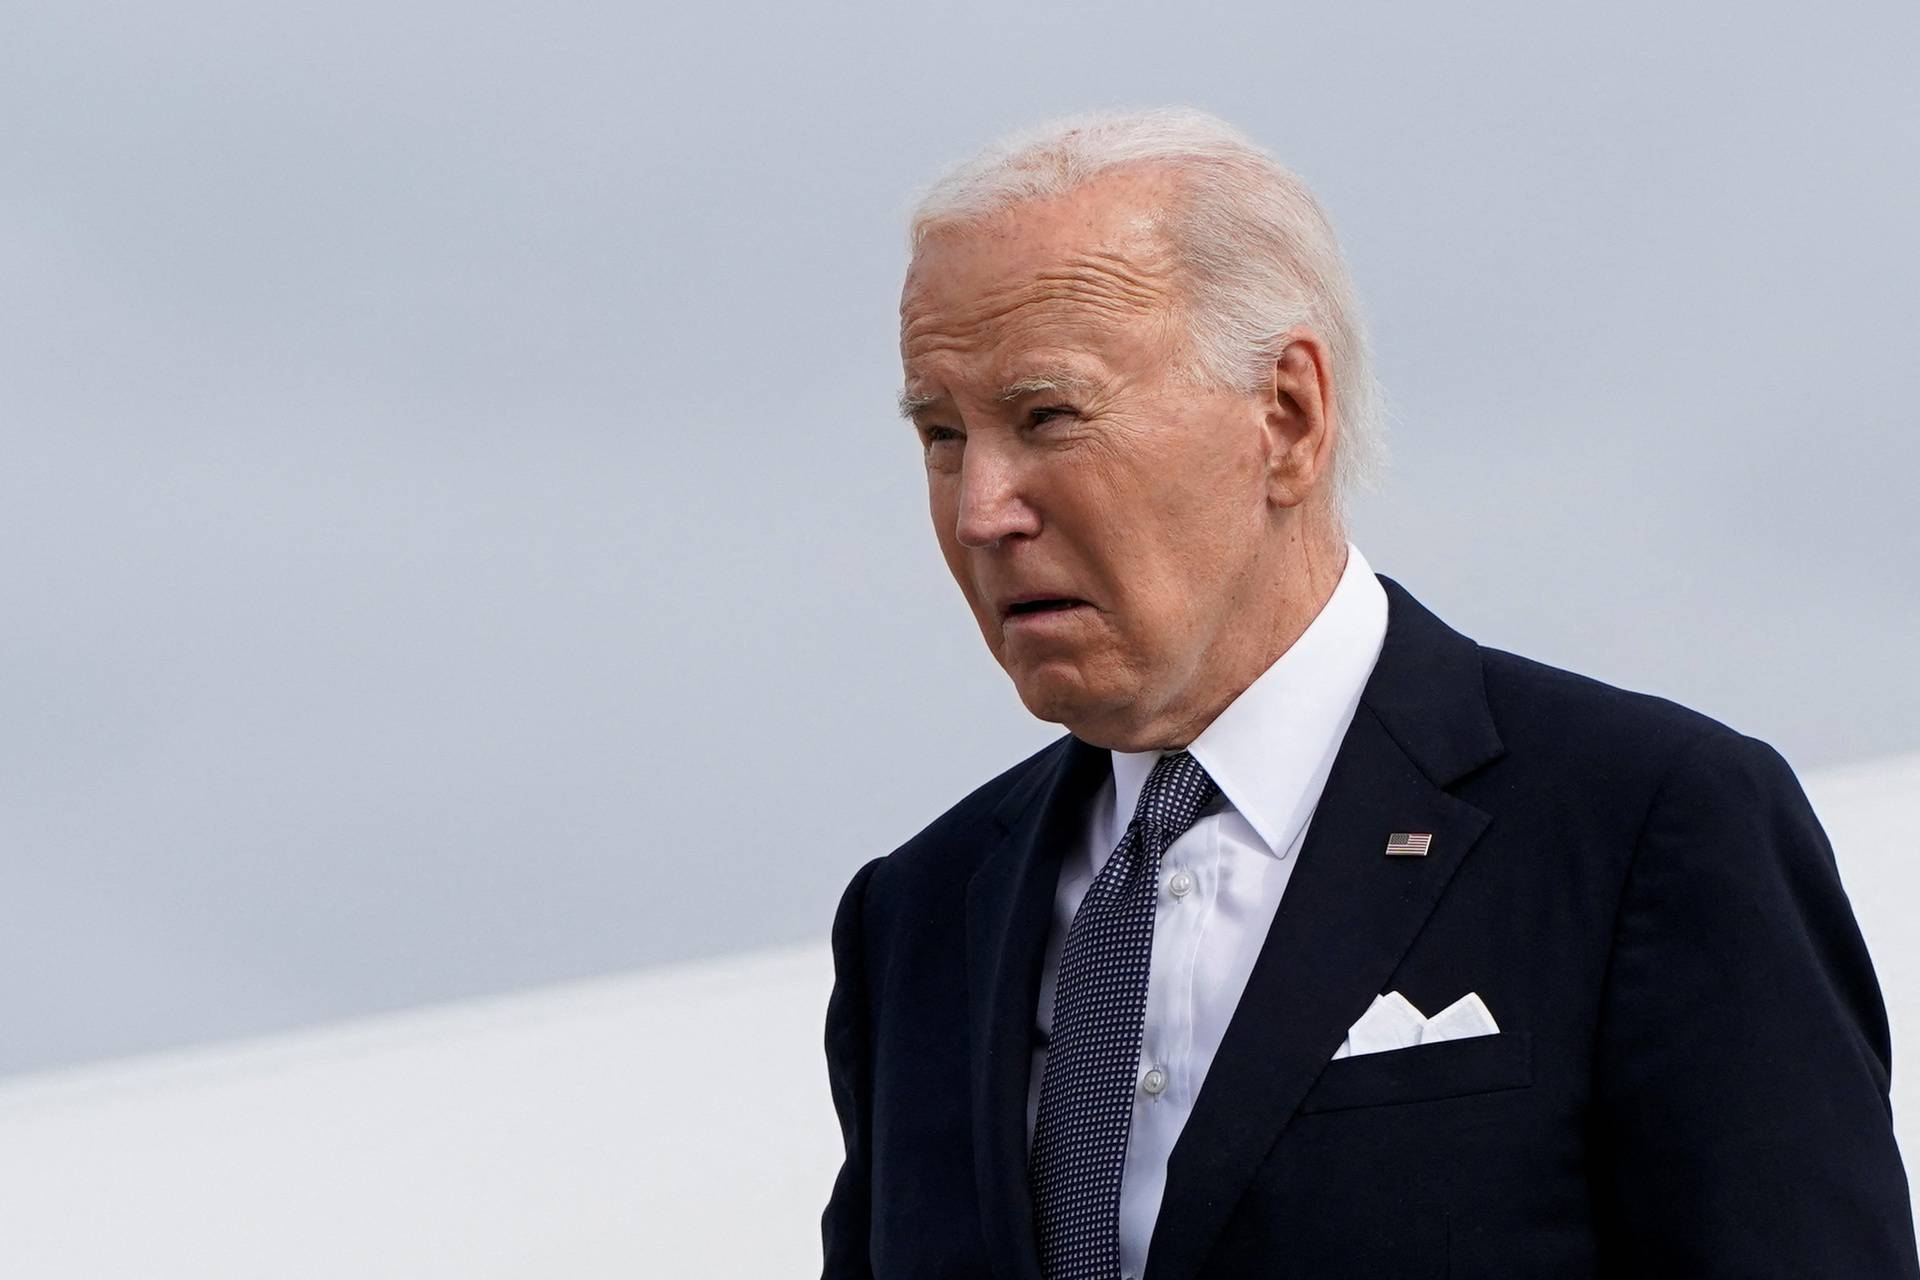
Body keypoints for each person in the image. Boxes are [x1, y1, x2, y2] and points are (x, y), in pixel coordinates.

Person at [819, 105, 1917, 1279]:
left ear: (1286, 415)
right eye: (942, 435)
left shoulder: (1647, 826)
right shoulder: (917, 918)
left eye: (1047, 417)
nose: (983, 508)